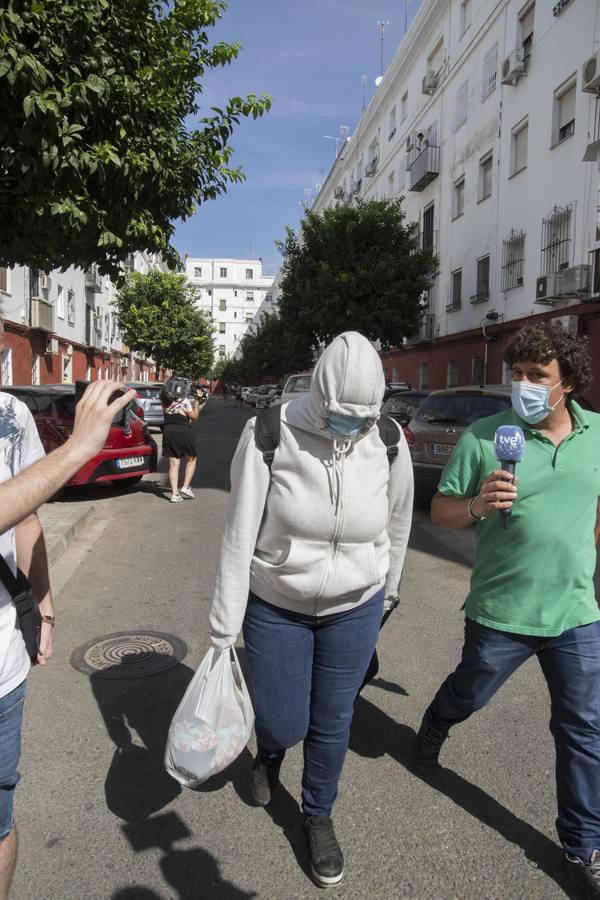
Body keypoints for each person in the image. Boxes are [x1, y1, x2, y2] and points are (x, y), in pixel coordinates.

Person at [208, 332, 414, 887]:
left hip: (357, 607)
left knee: (333, 719)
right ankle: (270, 751)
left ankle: (318, 814)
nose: (354, 423)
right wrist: (224, 631)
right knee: (283, 718)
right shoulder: (269, 432)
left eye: (364, 413)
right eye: (342, 413)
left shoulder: (389, 440)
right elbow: (238, 534)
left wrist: (387, 593)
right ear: (320, 394)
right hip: (278, 604)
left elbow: (397, 526)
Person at [411, 322, 600, 898]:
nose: (522, 384)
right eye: (514, 374)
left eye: (536, 376)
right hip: (501, 611)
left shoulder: (597, 435)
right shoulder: (486, 437)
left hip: (574, 613)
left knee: (584, 730)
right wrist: (476, 504)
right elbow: (440, 514)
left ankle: (582, 845)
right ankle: (438, 721)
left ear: (566, 383)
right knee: (472, 691)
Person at [0, 317, 135, 899]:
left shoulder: (10, 415)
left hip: (2, 664)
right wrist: (81, 447)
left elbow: (25, 517)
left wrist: (43, 604)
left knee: (0, 813)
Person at [160, 387, 202, 502]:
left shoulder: (164, 401)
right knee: (191, 458)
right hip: (183, 431)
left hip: (168, 432)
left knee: (174, 463)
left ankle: (175, 494)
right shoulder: (184, 401)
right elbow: (194, 417)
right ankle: (186, 486)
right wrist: (197, 402)